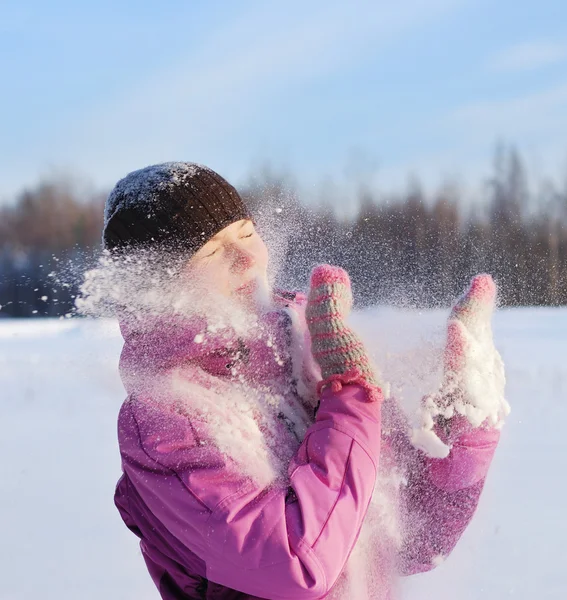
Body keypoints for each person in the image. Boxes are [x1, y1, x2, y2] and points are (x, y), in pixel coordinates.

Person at [103, 162, 507, 599]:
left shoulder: (306, 356)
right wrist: (351, 395)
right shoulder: (167, 412)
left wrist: (462, 424)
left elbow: (412, 540)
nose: (249, 258)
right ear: (156, 283)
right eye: (213, 251)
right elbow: (295, 564)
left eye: (245, 232)